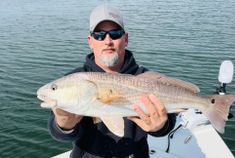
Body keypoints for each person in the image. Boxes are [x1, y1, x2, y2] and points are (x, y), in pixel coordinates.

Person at [48, 4, 176, 158]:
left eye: (115, 33)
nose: (107, 41)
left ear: (126, 38)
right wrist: (64, 124)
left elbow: (169, 122)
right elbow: (59, 133)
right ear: (90, 41)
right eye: (99, 35)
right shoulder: (74, 79)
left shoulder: (146, 77)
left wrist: (160, 127)